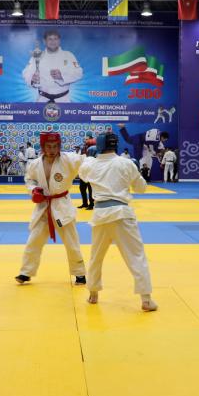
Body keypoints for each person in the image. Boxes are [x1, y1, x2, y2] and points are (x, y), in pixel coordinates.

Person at [79, 132, 158, 312]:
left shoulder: (90, 164)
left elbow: (83, 175)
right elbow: (141, 188)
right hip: (121, 214)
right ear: (116, 145)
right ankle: (146, 299)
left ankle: (93, 293)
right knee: (136, 256)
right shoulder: (126, 163)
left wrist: (89, 157)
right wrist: (135, 171)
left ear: (98, 146)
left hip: (100, 215)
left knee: (96, 256)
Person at [15, 132, 87, 286]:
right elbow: (29, 180)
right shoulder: (35, 164)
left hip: (62, 206)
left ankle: (80, 273)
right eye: (48, 146)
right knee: (33, 241)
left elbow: (86, 162)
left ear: (59, 146)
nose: (52, 150)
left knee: (72, 243)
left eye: (55, 146)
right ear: (42, 147)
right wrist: (33, 190)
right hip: (43, 206)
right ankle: (26, 272)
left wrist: (92, 151)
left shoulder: (69, 159)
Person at [22, 30, 83, 103]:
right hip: (42, 99)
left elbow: (79, 73)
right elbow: (26, 73)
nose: (53, 41)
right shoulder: (37, 56)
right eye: (50, 39)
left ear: (59, 41)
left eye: (55, 39)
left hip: (63, 100)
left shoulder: (69, 55)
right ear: (44, 41)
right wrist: (32, 79)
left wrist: (62, 75)